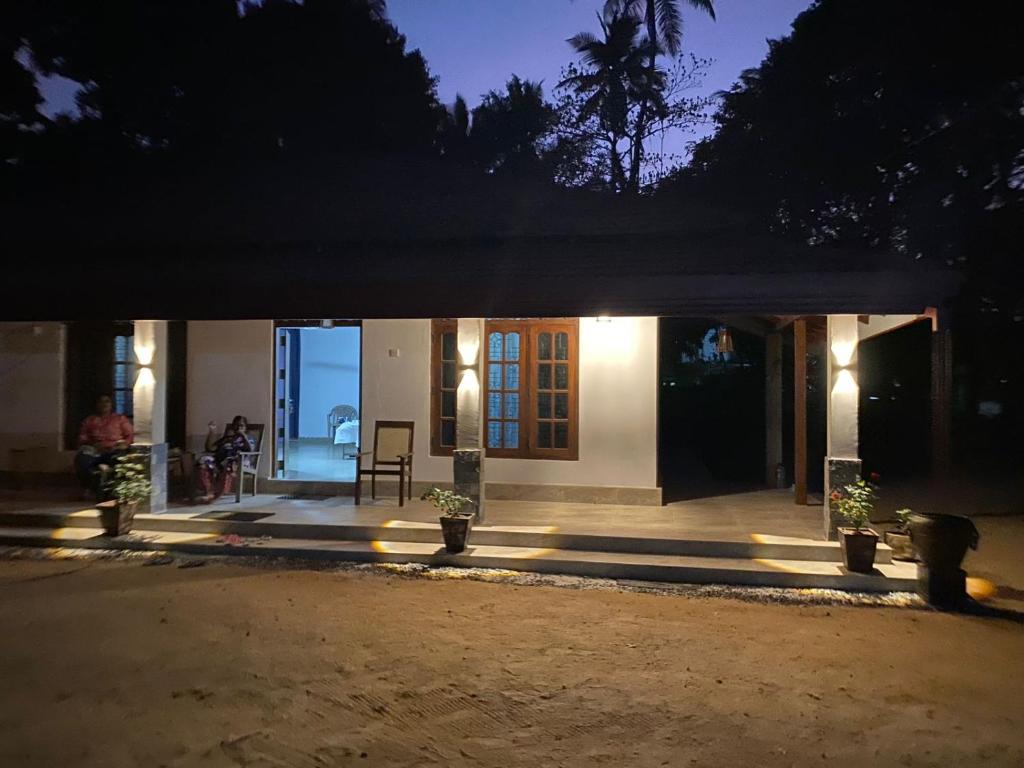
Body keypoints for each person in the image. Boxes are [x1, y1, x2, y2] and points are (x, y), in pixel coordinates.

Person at [75, 394, 134, 498]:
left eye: (107, 402)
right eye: (101, 402)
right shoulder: (90, 420)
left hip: (114, 449)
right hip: (95, 450)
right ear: (97, 405)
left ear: (111, 405)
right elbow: (82, 437)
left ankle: (114, 491)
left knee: (120, 458)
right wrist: (92, 444)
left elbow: (130, 436)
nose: (104, 404)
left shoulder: (119, 419)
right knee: (81, 459)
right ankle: (91, 488)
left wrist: (124, 444)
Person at [197, 415, 254, 502]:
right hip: (220, 461)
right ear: (233, 426)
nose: (238, 427)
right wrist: (211, 432)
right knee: (204, 461)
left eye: (241, 425)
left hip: (237, 462)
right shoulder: (227, 438)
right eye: (236, 425)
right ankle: (208, 491)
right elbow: (210, 448)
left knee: (227, 464)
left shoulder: (247, 438)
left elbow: (251, 450)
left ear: (245, 427)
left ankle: (215, 495)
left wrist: (243, 435)